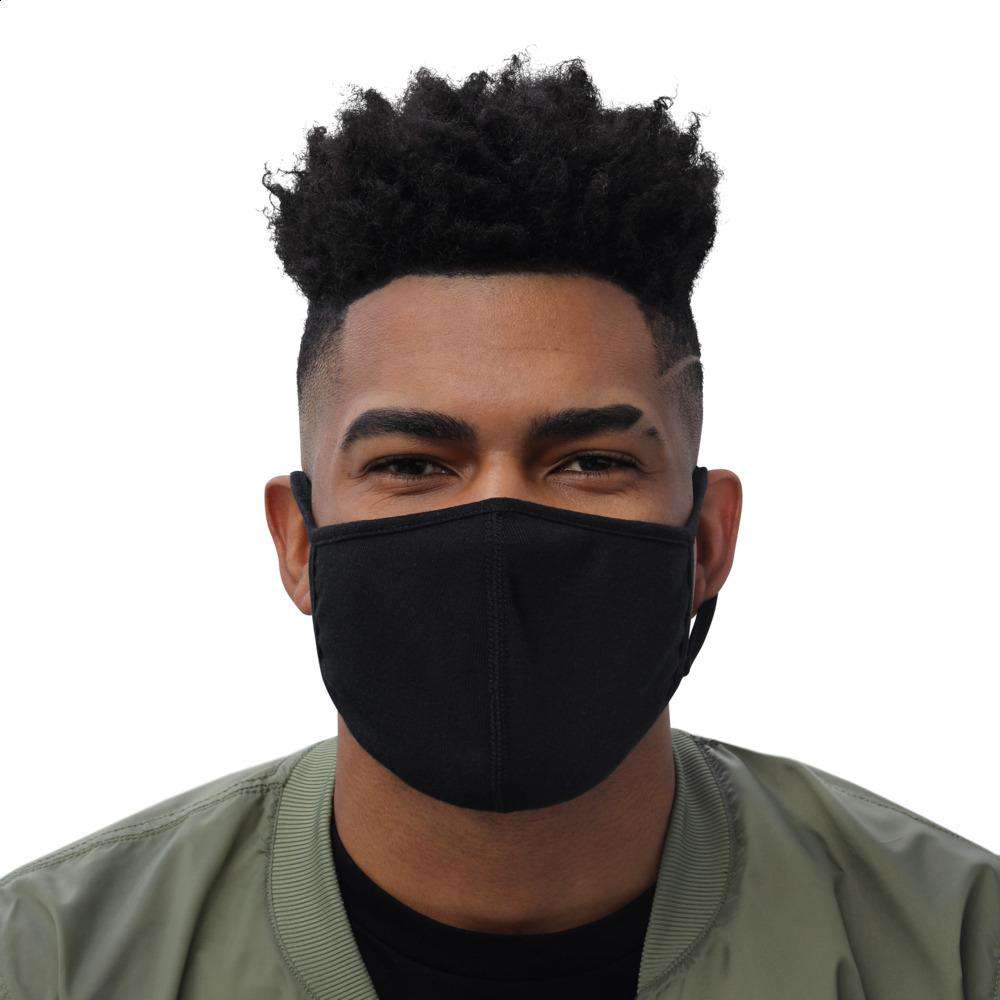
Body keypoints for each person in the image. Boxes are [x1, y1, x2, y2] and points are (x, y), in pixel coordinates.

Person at [2, 51, 997, 1000]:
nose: (496, 523)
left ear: (706, 541)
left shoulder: (958, 948)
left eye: (590, 462)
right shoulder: (51, 961)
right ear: (298, 542)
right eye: (411, 465)